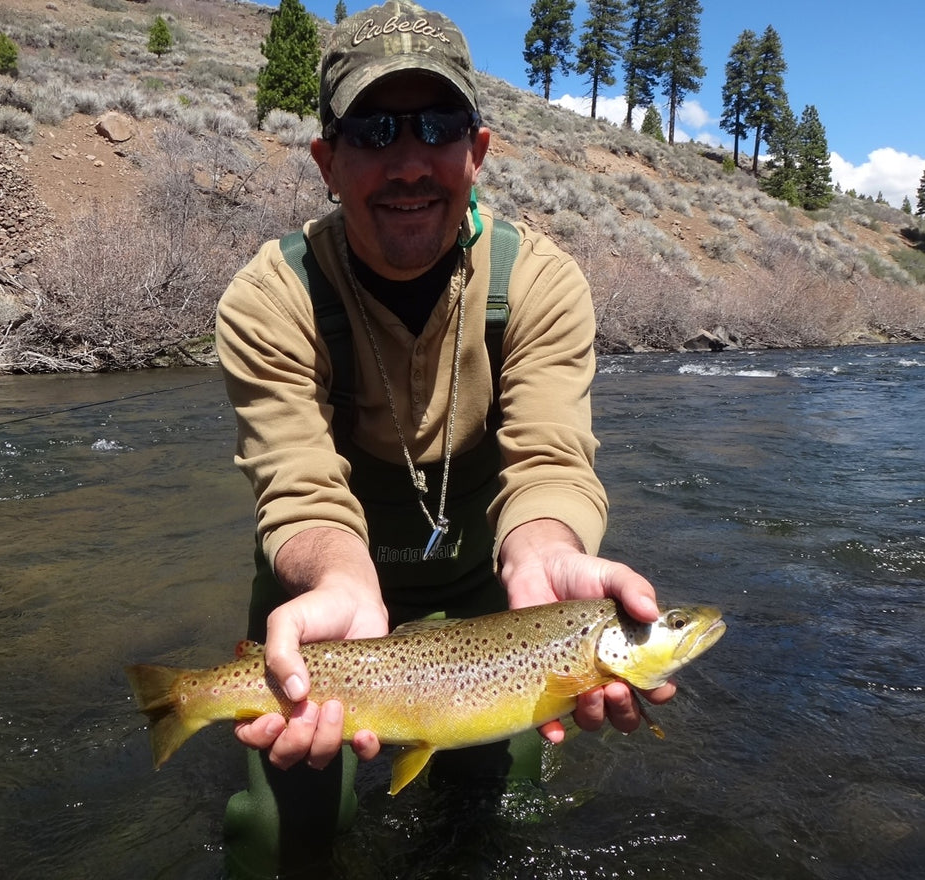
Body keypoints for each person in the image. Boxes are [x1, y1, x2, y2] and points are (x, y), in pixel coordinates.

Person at [215, 1, 675, 874]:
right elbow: (298, 485)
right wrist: (345, 581)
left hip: (488, 598)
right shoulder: (269, 299)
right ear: (327, 160)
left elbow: (548, 460)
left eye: (438, 125)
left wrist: (543, 552)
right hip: (324, 603)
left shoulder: (540, 283)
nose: (411, 161)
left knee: (499, 813)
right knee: (280, 838)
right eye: (376, 128)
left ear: (479, 149)